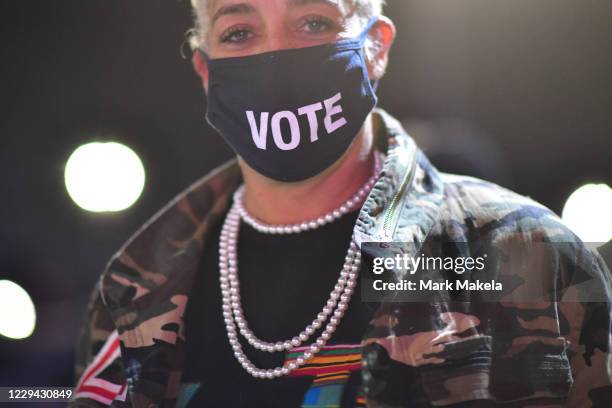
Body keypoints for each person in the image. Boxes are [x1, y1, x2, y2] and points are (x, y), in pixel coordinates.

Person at [69, 1, 612, 407]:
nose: (276, 56)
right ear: (207, 73)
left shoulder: (525, 253)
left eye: (314, 23)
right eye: (239, 31)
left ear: (376, 46)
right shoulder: (132, 289)